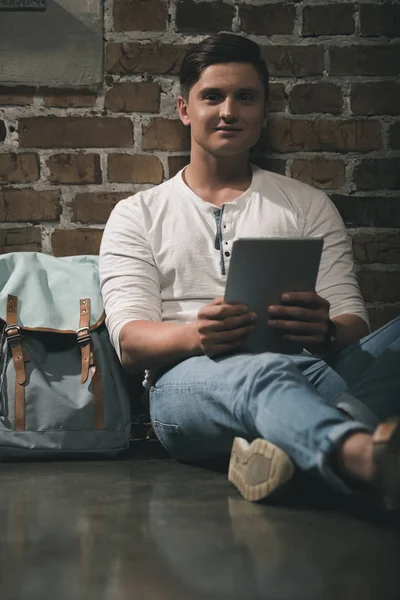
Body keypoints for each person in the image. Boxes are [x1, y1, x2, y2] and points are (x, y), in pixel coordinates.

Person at [99, 33, 400, 513]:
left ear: (263, 110)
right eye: (212, 96)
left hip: (308, 370)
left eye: (245, 97)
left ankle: (294, 443)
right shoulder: (138, 214)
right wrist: (199, 336)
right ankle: (359, 456)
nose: (228, 111)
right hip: (187, 386)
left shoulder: (306, 204)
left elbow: (354, 324)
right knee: (264, 368)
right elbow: (131, 342)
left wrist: (322, 332)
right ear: (183, 109)